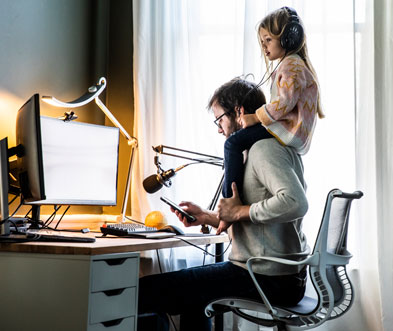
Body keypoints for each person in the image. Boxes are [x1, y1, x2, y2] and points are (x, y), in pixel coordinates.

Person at [137, 78, 309, 331]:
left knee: (144, 291)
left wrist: (239, 210)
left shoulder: (264, 149)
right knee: (192, 298)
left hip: (267, 278)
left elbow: (295, 203)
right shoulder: (260, 148)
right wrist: (206, 217)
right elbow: (260, 224)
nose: (219, 129)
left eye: (219, 120)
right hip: (269, 275)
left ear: (238, 111)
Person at [222, 6, 324, 203]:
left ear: (289, 38)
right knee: (241, 144)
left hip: (286, 130)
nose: (264, 46)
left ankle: (229, 203)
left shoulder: (291, 65)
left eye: (268, 40)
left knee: (232, 143)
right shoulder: (292, 64)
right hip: (288, 130)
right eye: (262, 42)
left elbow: (284, 103)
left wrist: (255, 117)